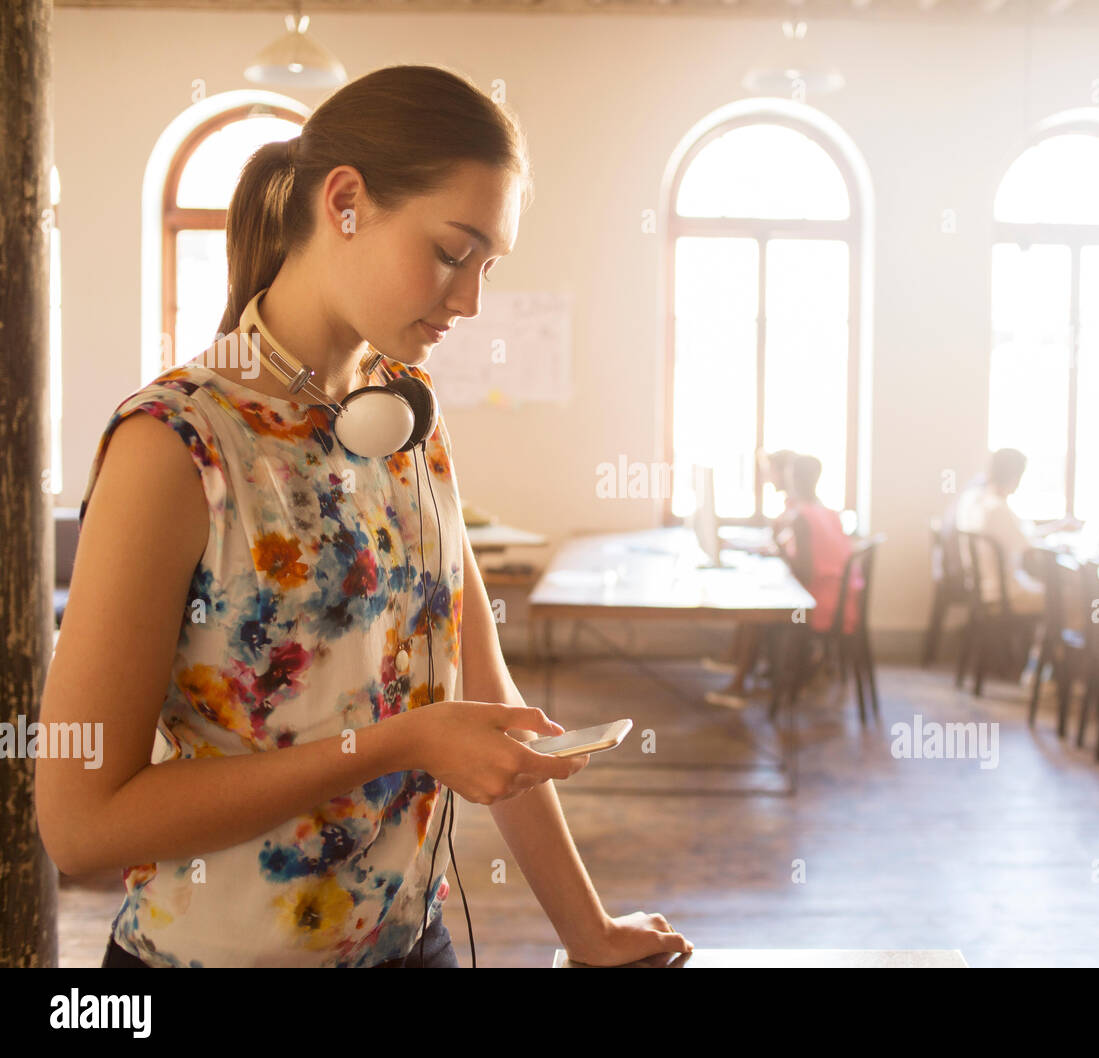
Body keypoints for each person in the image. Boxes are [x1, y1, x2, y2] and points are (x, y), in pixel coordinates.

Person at [35, 65, 691, 968]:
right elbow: (80, 826)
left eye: (489, 266)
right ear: (344, 201)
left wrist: (590, 931)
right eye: (453, 252)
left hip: (414, 945)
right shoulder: (176, 444)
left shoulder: (408, 413)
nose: (470, 301)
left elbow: (489, 696)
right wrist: (397, 744)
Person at [703, 449, 796, 709]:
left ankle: (738, 684)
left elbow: (788, 553)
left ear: (784, 473)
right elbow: (780, 548)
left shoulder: (798, 512)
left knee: (756, 606)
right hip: (802, 585)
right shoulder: (793, 507)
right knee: (754, 597)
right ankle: (734, 662)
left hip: (807, 596)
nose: (767, 478)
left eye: (770, 471)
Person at [950, 448, 1076, 614]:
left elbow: (1021, 536)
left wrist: (1054, 528)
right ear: (1015, 477)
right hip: (1003, 594)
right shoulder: (997, 509)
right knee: (1072, 595)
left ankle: (1039, 638)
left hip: (981, 586)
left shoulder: (973, 499)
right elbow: (1029, 549)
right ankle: (1053, 640)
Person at [776, 454, 865, 645]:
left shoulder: (801, 518)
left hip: (821, 606)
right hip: (843, 600)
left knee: (773, 609)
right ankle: (785, 668)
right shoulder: (829, 513)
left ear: (794, 480)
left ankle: (788, 669)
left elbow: (804, 575)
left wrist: (780, 550)